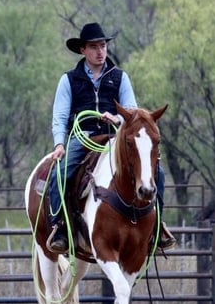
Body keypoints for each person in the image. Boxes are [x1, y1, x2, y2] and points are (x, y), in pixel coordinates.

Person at [46, 22, 176, 254]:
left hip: (115, 138)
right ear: (83, 50)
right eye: (94, 47)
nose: (100, 51)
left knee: (159, 173)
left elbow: (132, 112)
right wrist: (59, 144)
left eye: (103, 46)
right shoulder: (69, 80)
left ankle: (156, 226)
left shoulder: (119, 77)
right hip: (84, 137)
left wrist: (116, 118)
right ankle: (60, 227)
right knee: (60, 173)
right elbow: (60, 116)